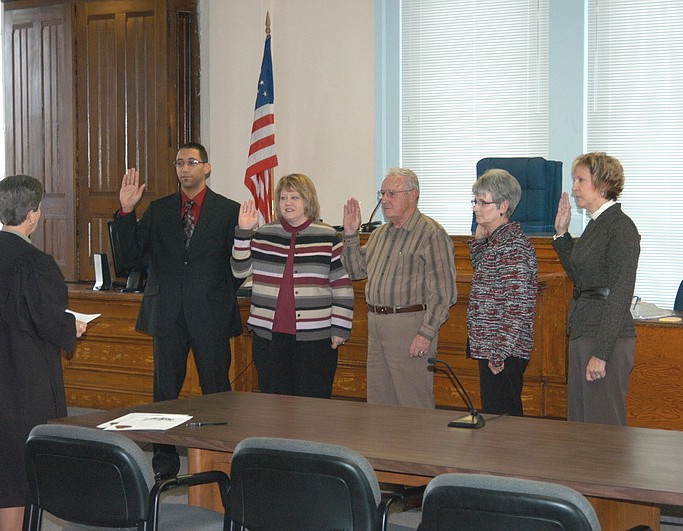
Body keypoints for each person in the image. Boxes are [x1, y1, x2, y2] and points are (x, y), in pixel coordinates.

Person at [0, 174, 87, 531]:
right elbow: (48, 320)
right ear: (31, 215)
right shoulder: (35, 264)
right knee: (13, 470)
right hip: (19, 384)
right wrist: (73, 327)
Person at [114, 141, 242, 478]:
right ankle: (165, 467)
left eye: (192, 162)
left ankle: (219, 462)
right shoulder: (158, 209)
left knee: (216, 392)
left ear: (207, 167)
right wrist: (127, 213)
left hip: (211, 315)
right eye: (179, 163)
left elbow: (239, 269)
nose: (185, 169)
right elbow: (128, 261)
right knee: (164, 396)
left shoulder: (228, 211)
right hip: (167, 313)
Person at [341, 168, 457, 408]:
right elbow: (356, 272)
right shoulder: (380, 235)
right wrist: (351, 234)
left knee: (414, 403)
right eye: (382, 193)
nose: (384, 200)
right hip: (376, 325)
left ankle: (420, 447)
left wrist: (426, 333)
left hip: (410, 326)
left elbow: (444, 293)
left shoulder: (431, 234)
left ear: (412, 195)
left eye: (392, 193)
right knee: (379, 403)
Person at [231, 173, 354, 397]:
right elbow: (239, 271)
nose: (288, 203)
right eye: (283, 198)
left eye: (295, 197)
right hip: (269, 337)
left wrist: (340, 328)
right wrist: (243, 233)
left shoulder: (328, 237)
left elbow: (342, 285)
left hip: (316, 337)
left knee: (313, 404)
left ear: (308, 201)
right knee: (274, 403)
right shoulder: (264, 234)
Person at [553, 152, 640, 425]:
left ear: (602, 185)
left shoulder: (620, 227)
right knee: (581, 424)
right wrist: (562, 235)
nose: (574, 187)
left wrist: (602, 353)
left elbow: (620, 294)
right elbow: (583, 280)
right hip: (585, 331)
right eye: (574, 180)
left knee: (602, 430)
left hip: (605, 339)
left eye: (581, 180)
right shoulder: (597, 224)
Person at [467, 169, 538, 416]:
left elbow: (517, 305)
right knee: (495, 418)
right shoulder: (496, 241)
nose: (476, 208)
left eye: (482, 202)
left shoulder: (512, 246)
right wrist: (479, 241)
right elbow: (484, 272)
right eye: (475, 201)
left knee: (504, 422)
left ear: (503, 206)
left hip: (505, 351)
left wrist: (498, 353)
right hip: (493, 347)